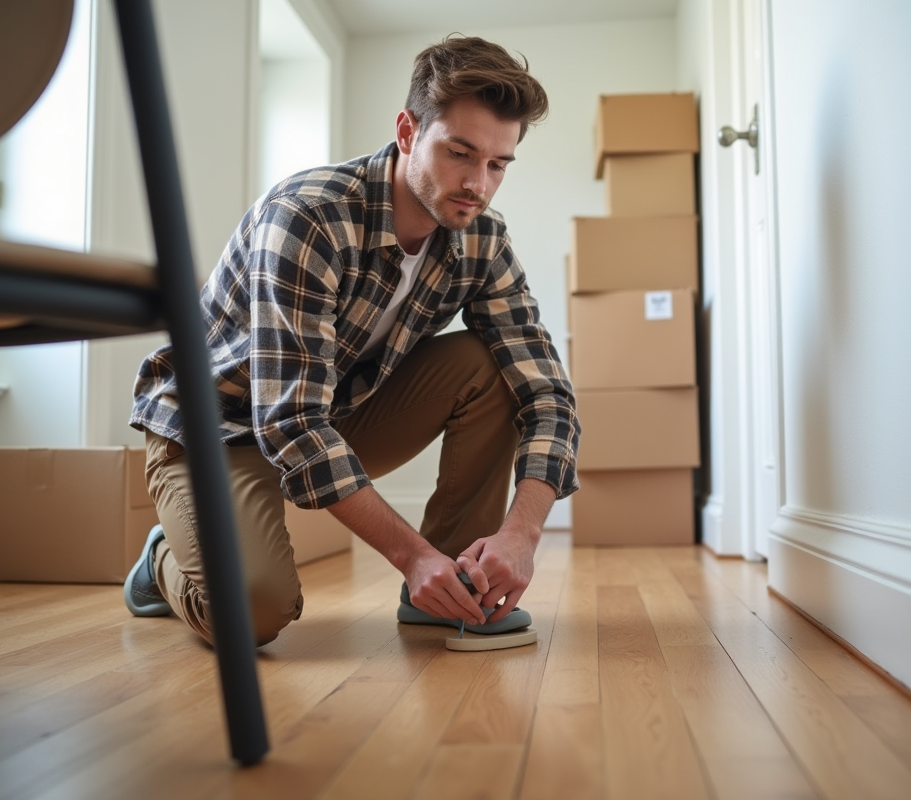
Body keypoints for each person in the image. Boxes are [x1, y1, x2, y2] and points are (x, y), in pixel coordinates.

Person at [122, 34, 580, 646]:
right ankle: (165, 560)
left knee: (491, 364)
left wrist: (522, 534)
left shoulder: (483, 239)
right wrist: (408, 555)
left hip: (334, 412)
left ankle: (451, 590)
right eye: (460, 153)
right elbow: (290, 423)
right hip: (214, 428)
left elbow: (548, 395)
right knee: (255, 611)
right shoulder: (308, 216)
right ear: (408, 131)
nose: (478, 183)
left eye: (497, 164)